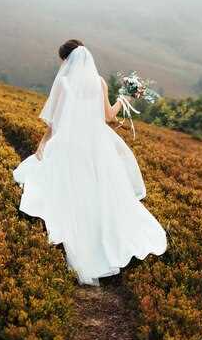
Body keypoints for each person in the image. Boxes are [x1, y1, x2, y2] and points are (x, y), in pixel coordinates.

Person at [12, 39, 167, 286]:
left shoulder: (64, 82)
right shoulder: (100, 82)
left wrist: (43, 142)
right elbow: (108, 116)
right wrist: (124, 98)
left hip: (71, 142)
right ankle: (102, 236)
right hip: (97, 143)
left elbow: (55, 120)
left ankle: (76, 232)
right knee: (100, 188)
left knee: (62, 181)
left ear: (67, 60)